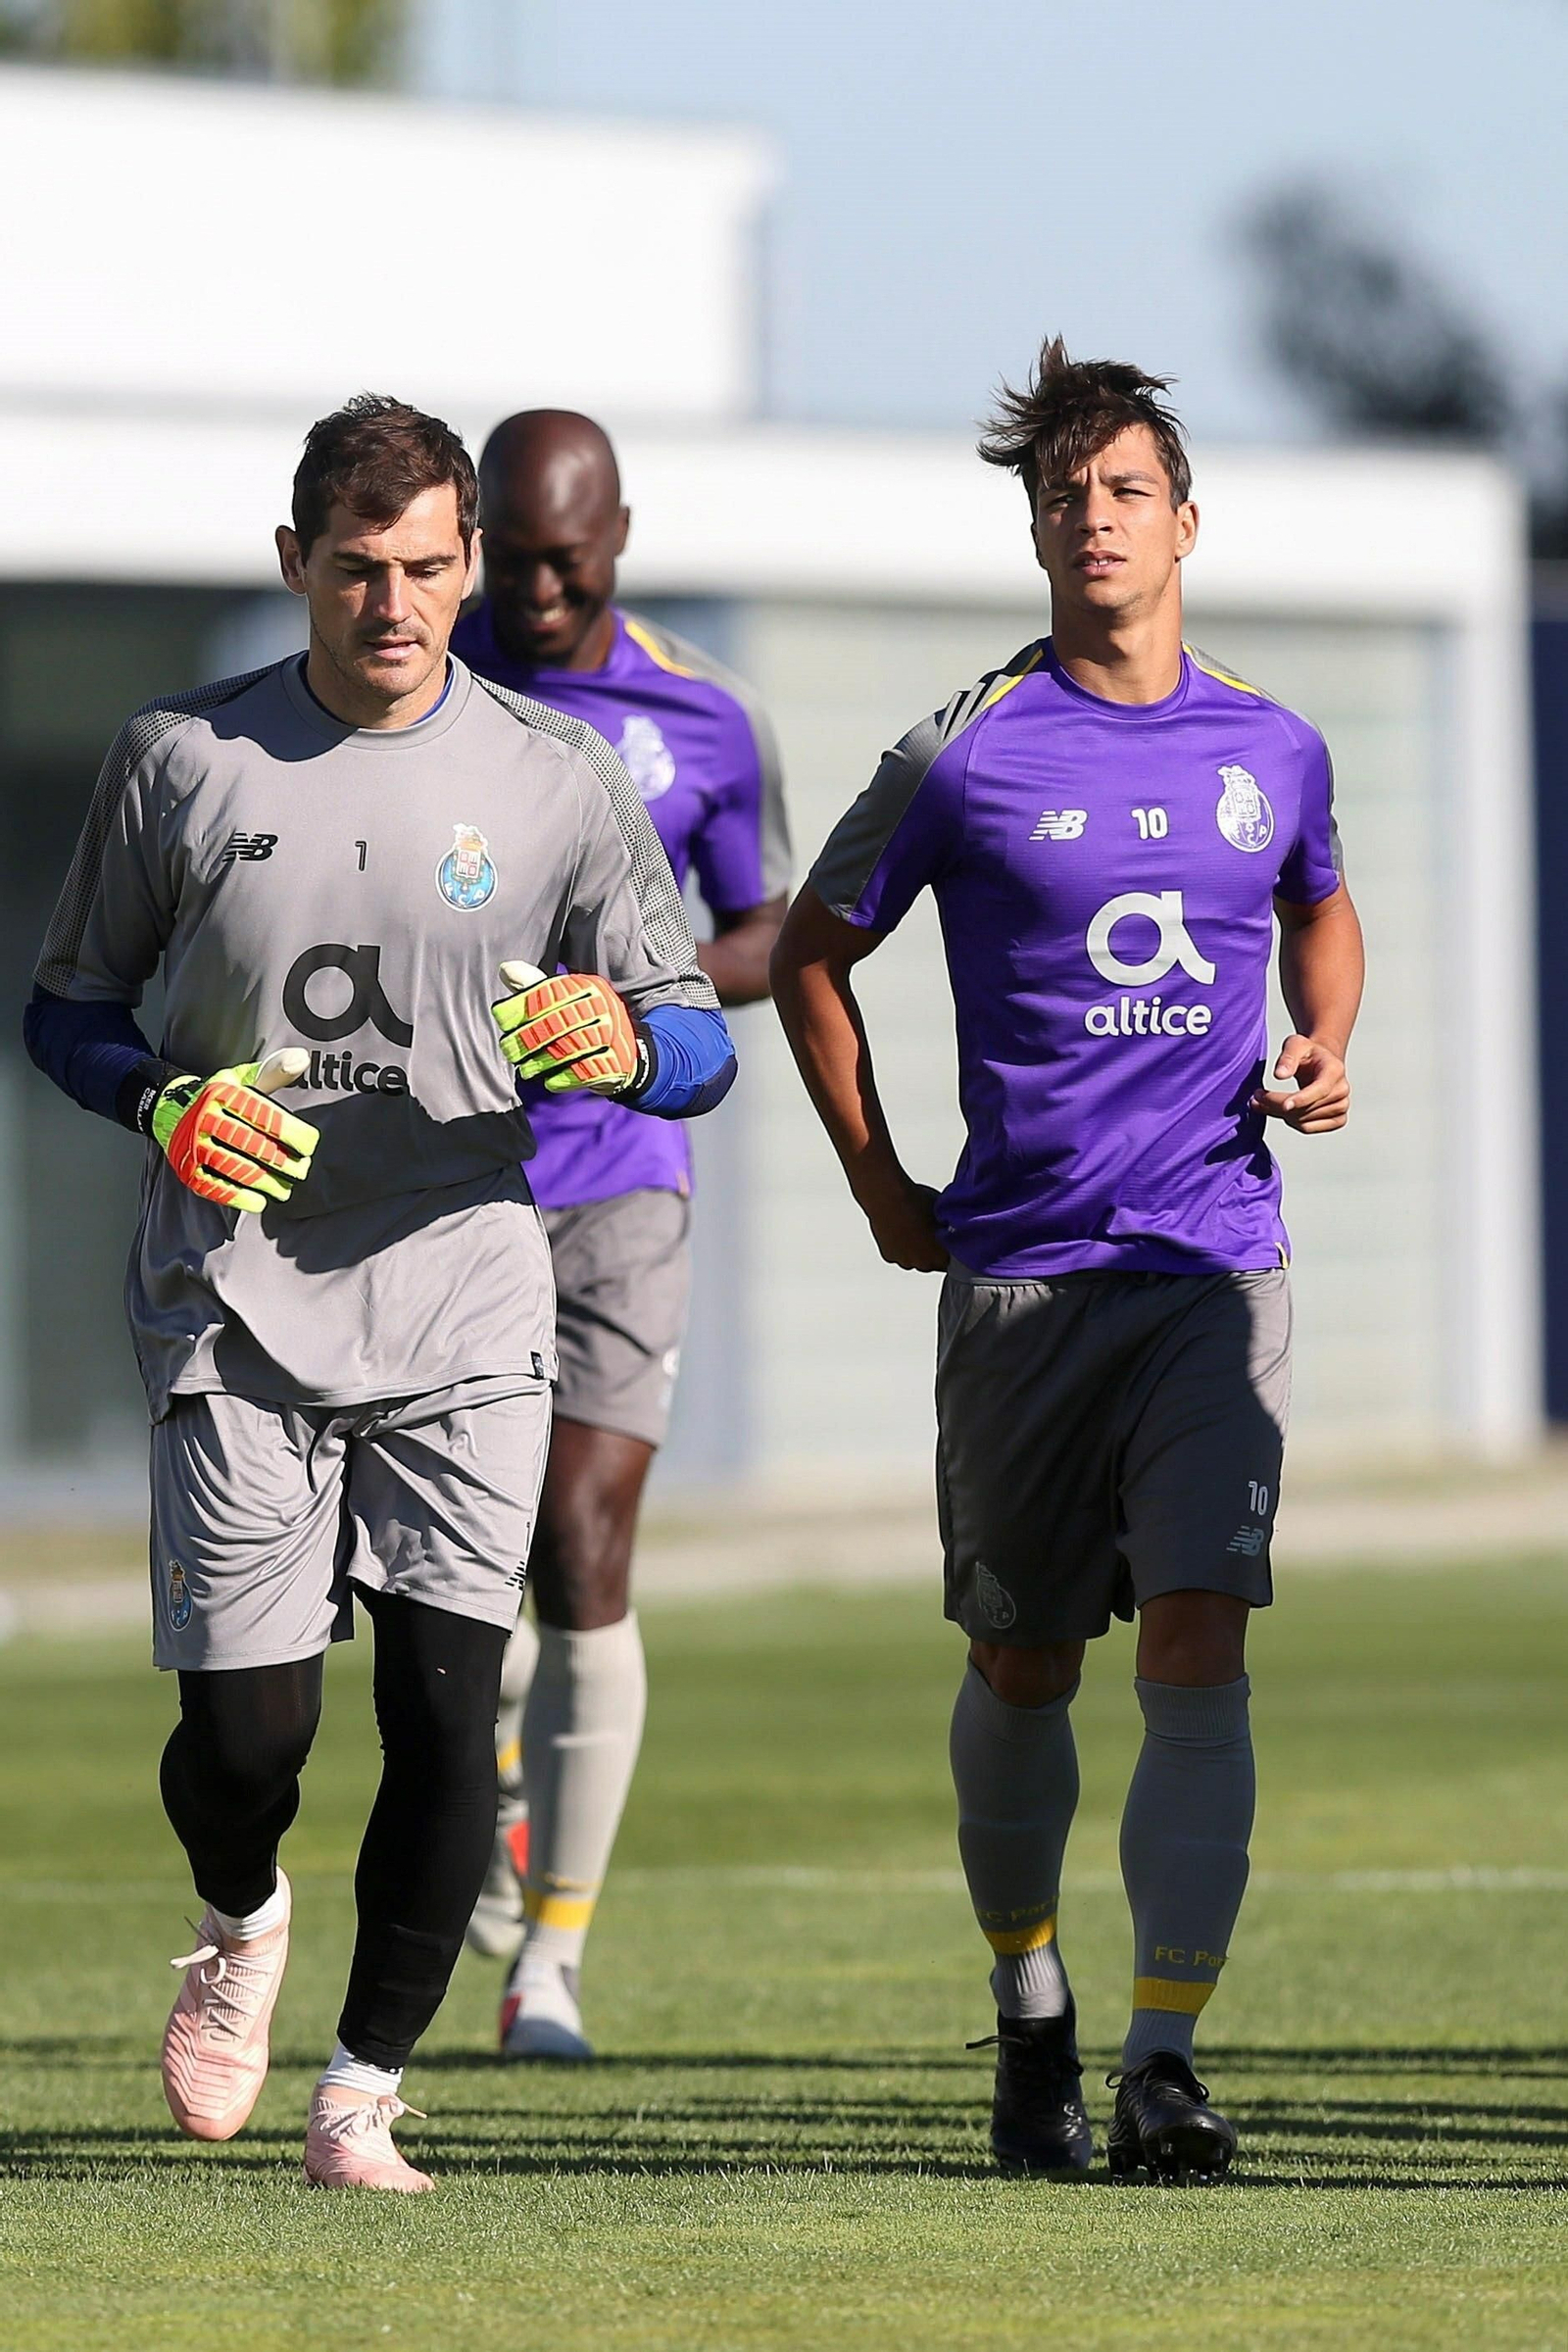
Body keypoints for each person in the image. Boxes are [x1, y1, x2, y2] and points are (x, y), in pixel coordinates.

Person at [24, 395, 735, 2191]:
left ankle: (361, 2093)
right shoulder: (184, 757)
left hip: (466, 1295)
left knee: (443, 1702)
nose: (397, 605)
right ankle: (240, 1912)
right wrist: (163, 1099)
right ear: (296, 568)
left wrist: (626, 1045)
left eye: (430, 568)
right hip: (238, 1300)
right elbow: (66, 1010)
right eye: (359, 572)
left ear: (469, 563)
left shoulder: (553, 777)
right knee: (248, 1735)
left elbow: (702, 1040)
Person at [770, 340, 1363, 2183]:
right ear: (1034, 530)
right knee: (1024, 1668)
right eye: (1064, 497)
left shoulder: (1275, 745)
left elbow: (1320, 902)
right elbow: (811, 947)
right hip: (1020, 1274)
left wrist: (1325, 1036)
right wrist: (880, 1181)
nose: (1094, 522)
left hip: (1212, 1262)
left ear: (1187, 520)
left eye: (1125, 493)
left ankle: (1166, 2059)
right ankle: (1031, 2005)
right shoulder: (965, 747)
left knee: (1200, 1646)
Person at [451, 411, 789, 2059]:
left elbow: (771, 924)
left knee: (581, 1542)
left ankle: (549, 1968)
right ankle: (499, 1833)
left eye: (563, 558)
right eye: (506, 556)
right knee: (447, 1580)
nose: (532, 586)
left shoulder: (705, 718)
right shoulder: (412, 689)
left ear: (620, 537)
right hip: (435, 1184)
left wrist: (640, 1002)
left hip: (623, 1176)